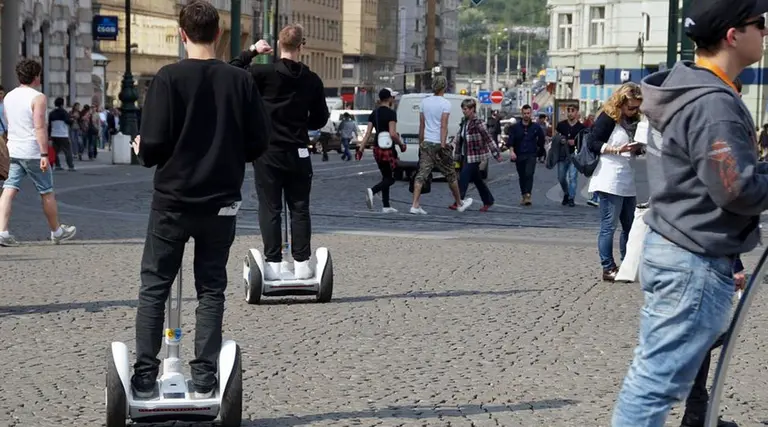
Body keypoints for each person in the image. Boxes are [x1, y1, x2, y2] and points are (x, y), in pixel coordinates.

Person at [612, 0, 768, 425]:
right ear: (733, 35)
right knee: (653, 385)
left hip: (683, 246)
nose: (765, 33)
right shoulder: (712, 102)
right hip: (692, 258)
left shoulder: (694, 89)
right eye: (760, 24)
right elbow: (735, 189)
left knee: (653, 377)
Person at [129, 0, 269, 399]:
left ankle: (143, 375)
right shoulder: (241, 81)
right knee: (211, 288)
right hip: (220, 203)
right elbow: (258, 143)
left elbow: (153, 145)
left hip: (173, 201)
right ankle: (205, 375)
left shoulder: (168, 78)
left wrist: (143, 147)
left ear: (182, 34)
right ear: (220, 34)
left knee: (155, 285)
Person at [230, 24, 329, 281]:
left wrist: (252, 51)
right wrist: (300, 123)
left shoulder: (262, 72)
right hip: (298, 150)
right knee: (300, 208)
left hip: (268, 151)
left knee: (270, 207)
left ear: (279, 45)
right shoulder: (312, 79)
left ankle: (273, 263)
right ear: (301, 46)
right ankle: (302, 263)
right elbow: (320, 119)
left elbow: (230, 71)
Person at [0, 59, 76, 247]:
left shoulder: (9, 96)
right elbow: (39, 126)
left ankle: (2, 231)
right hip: (32, 151)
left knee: (8, 190)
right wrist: (44, 154)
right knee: (46, 192)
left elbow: (9, 123)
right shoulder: (38, 97)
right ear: (36, 76)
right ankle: (57, 231)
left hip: (14, 149)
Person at [586, 83, 644, 282]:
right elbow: (592, 143)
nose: (634, 111)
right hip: (609, 177)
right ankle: (608, 268)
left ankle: (627, 264)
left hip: (627, 177)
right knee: (609, 225)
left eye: (637, 107)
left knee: (630, 225)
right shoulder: (608, 118)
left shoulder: (633, 120)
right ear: (620, 103)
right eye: (631, 107)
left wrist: (638, 148)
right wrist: (616, 150)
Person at [410, 76, 473, 215]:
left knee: (421, 174)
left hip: (426, 143)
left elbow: (422, 125)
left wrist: (422, 143)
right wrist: (443, 145)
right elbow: (443, 126)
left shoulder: (424, 102)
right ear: (444, 87)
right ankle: (459, 203)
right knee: (450, 174)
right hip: (439, 143)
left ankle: (415, 205)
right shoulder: (445, 104)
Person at [358, 88, 404, 213]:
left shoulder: (374, 113)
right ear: (389, 98)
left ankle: (386, 205)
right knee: (391, 178)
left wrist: (361, 149)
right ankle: (372, 191)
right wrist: (401, 145)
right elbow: (393, 134)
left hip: (377, 148)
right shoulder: (391, 114)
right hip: (388, 149)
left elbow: (367, 134)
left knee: (385, 176)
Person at [454, 98, 502, 211]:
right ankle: (488, 200)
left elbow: (488, 138)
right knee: (477, 180)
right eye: (463, 109)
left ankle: (458, 201)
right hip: (465, 154)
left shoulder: (478, 122)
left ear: (472, 109)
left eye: (465, 109)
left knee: (464, 176)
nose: (463, 111)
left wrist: (496, 153)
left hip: (475, 155)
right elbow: (460, 140)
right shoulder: (464, 122)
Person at [506, 104, 546, 206]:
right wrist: (512, 151)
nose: (526, 115)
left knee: (529, 173)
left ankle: (528, 195)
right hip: (519, 154)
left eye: (528, 113)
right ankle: (524, 194)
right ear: (522, 114)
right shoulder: (515, 128)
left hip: (531, 154)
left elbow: (541, 139)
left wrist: (539, 149)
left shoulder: (536, 127)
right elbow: (511, 141)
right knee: (522, 175)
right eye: (524, 113)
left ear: (531, 113)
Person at [554, 105, 585, 207]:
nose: (570, 113)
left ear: (577, 113)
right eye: (569, 111)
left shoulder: (581, 127)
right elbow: (556, 137)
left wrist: (575, 142)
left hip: (574, 155)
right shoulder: (561, 125)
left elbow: (584, 142)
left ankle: (571, 198)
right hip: (562, 155)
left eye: (572, 111)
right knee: (561, 177)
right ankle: (566, 193)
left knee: (573, 177)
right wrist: (562, 140)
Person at [48, 97, 75, 171]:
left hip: (54, 134)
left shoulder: (51, 113)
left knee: (55, 151)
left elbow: (49, 125)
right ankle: (70, 166)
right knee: (67, 150)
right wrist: (72, 120)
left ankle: (57, 165)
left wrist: (49, 136)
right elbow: (68, 121)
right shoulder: (64, 112)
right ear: (62, 104)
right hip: (63, 134)